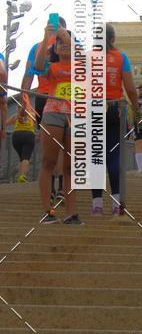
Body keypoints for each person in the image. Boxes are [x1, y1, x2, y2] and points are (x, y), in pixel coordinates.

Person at [34, 25, 81, 224]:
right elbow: (38, 65)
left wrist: (64, 34)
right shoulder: (51, 67)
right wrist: (48, 37)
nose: (64, 45)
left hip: (76, 115)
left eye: (67, 42)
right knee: (49, 162)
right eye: (60, 43)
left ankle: (71, 213)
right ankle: (48, 210)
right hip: (53, 113)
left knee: (70, 166)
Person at [90, 24, 138, 216]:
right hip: (114, 108)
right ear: (113, 38)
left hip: (93, 109)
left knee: (96, 156)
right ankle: (116, 203)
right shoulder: (121, 57)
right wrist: (136, 107)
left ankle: (97, 204)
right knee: (114, 154)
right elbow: (131, 88)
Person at [22, 16, 67, 198]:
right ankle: (62, 188)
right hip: (65, 98)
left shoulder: (37, 47)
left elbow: (28, 74)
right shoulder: (71, 44)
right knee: (65, 146)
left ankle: (51, 188)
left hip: (43, 98)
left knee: (49, 146)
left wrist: (23, 101)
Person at [7, 94, 36, 181]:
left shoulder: (15, 116)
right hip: (28, 135)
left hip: (16, 135)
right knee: (26, 157)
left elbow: (5, 123)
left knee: (21, 157)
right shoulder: (32, 115)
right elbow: (38, 125)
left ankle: (20, 176)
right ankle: (23, 176)